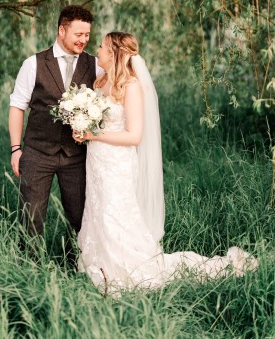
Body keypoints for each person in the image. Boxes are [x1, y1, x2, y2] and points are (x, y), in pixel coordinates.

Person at [74, 32, 258, 293]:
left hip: (117, 164)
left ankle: (123, 267)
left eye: (102, 47)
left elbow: (134, 135)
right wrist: (82, 128)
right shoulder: (99, 81)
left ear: (114, 53)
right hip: (96, 161)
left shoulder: (132, 87)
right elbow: (98, 122)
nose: (98, 50)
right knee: (97, 211)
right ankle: (99, 263)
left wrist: (94, 134)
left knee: (115, 213)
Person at [9, 5, 100, 244]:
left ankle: (78, 265)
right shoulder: (34, 64)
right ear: (62, 30)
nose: (84, 40)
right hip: (38, 152)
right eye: (78, 35)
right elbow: (17, 106)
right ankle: (30, 269)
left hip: (77, 155)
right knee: (32, 216)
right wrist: (15, 149)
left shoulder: (95, 65)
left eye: (87, 35)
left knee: (80, 216)